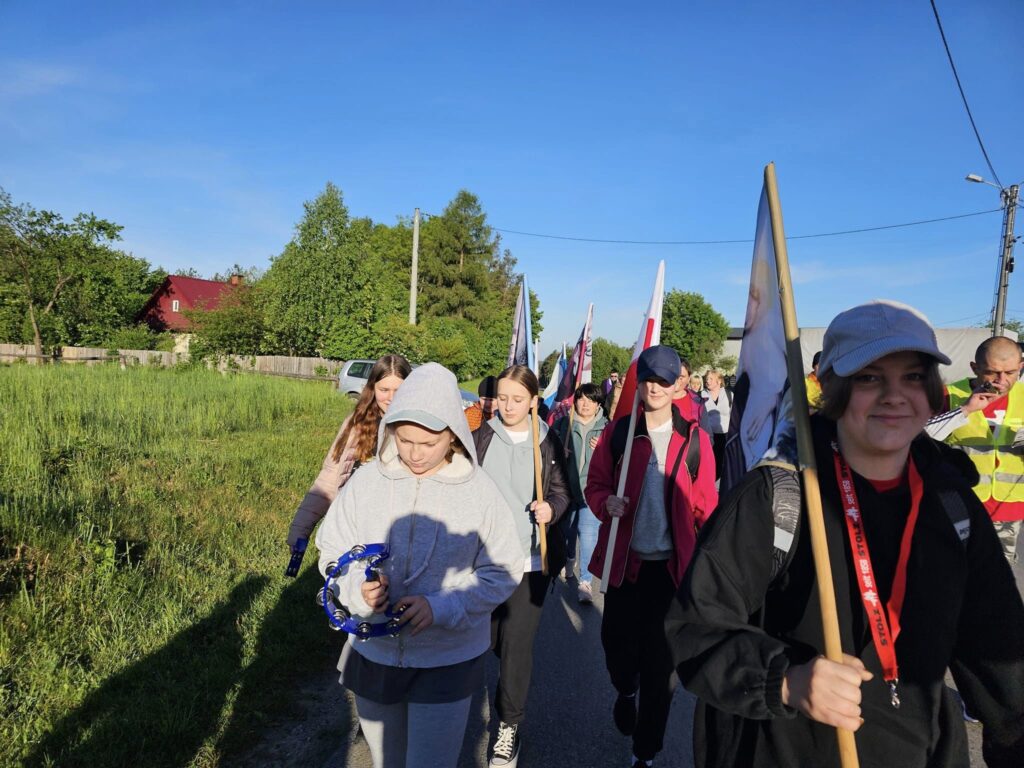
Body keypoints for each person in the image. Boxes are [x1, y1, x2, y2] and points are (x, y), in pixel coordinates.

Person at [667, 300, 1024, 768]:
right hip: (786, 750)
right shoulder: (778, 496)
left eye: (913, 376)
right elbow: (694, 627)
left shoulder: (951, 503)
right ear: (833, 390)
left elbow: (1001, 656)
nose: (895, 395)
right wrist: (786, 680)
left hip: (921, 750)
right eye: (869, 377)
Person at [315, 362, 524, 768]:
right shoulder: (367, 481)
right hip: (375, 653)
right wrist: (356, 588)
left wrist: (442, 607)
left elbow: (504, 570)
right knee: (386, 762)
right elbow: (333, 549)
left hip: (447, 659)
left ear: (453, 435)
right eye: (405, 439)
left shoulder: (479, 492)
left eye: (428, 443)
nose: (414, 453)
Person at [586, 345, 718, 768]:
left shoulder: (694, 439)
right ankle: (626, 690)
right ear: (638, 382)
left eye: (664, 380)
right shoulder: (620, 432)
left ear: (679, 384)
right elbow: (595, 485)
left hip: (670, 573)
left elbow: (707, 507)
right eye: (648, 379)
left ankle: (644, 753)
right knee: (618, 653)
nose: (655, 387)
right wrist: (607, 503)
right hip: (625, 567)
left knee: (662, 673)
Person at [473, 364, 571, 767]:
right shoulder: (479, 436)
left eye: (517, 399)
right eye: (502, 397)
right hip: (482, 561)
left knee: (516, 648)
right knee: (490, 640)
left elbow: (564, 491)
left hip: (529, 560)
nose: (508, 406)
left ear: (534, 401)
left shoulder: (547, 440)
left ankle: (508, 729)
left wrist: (552, 507)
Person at [287, 354, 411, 552]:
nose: (391, 398)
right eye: (384, 390)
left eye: (399, 389)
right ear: (372, 389)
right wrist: (300, 531)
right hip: (355, 524)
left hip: (398, 531)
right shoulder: (357, 423)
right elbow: (330, 478)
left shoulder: (419, 430)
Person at [926, 336, 1024, 564]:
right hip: (958, 508)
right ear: (975, 368)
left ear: (1020, 367)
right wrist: (965, 410)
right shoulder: (949, 396)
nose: (1002, 381)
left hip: (1008, 511)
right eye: (992, 372)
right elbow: (916, 440)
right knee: (954, 574)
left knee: (999, 581)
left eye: (1010, 373)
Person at [551, 382, 609, 603]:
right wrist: (558, 449)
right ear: (574, 401)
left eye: (591, 400)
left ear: (598, 404)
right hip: (565, 490)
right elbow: (546, 452)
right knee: (568, 532)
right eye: (581, 399)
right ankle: (569, 557)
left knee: (588, 533)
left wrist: (604, 448)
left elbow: (617, 459)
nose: (585, 404)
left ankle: (585, 581)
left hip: (592, 492)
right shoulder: (562, 425)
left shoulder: (607, 428)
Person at [700, 369, 732, 481]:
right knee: (709, 464)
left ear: (719, 381)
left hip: (725, 435)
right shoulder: (701, 396)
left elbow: (734, 415)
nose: (707, 381)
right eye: (706, 379)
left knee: (724, 464)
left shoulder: (729, 395)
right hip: (708, 435)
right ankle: (709, 485)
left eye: (711, 379)